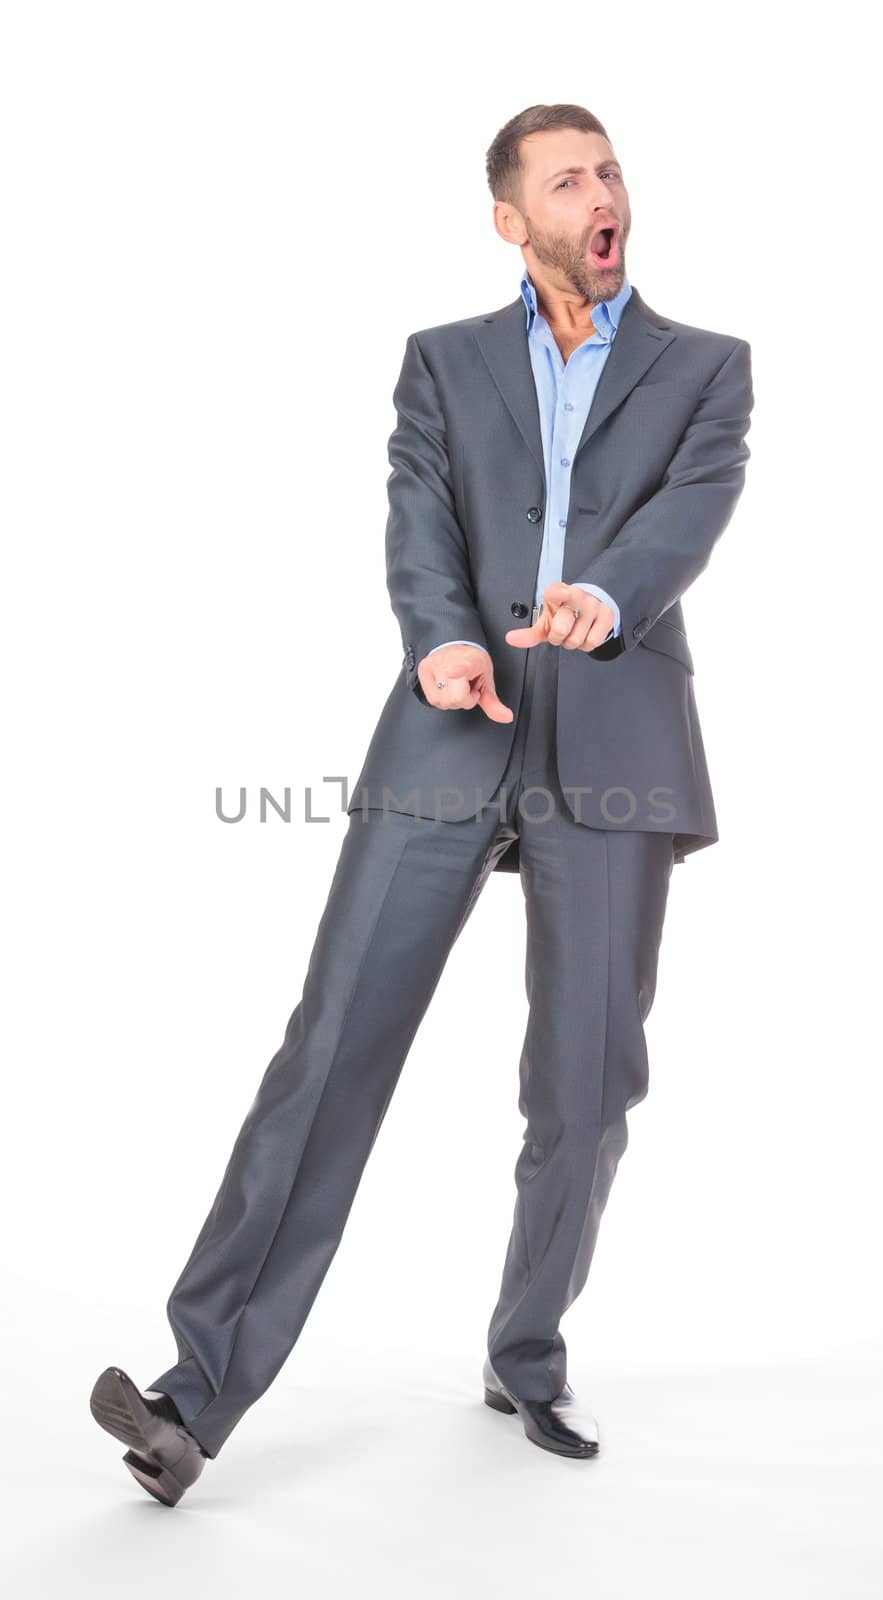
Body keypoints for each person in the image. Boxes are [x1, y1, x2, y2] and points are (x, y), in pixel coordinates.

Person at [90, 101, 754, 1505]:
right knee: (332, 1044)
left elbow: (692, 510)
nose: (600, 192)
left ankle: (527, 1352)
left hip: (617, 727)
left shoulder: (708, 368)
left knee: (584, 1079)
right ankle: (195, 1395)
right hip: (454, 724)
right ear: (512, 221)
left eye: (611, 171)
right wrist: (437, 637)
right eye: (567, 179)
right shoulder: (440, 364)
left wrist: (610, 593)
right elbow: (417, 513)